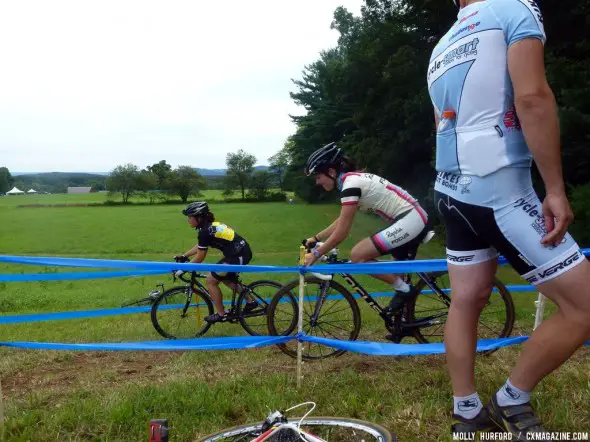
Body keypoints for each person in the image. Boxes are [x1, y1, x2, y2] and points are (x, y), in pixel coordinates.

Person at [428, 0, 590, 438]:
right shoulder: (517, 9)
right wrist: (554, 189)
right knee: (585, 304)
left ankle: (465, 410)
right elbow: (533, 97)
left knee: (467, 299)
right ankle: (509, 400)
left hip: (450, 189)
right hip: (499, 190)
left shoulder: (443, 42)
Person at [302, 142, 432, 327]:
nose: (317, 181)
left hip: (410, 219)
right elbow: (342, 220)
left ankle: (405, 290)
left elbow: (342, 233)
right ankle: (403, 325)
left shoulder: (351, 185)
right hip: (407, 219)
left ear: (331, 172)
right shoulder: (351, 181)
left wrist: (316, 254)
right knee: (397, 276)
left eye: (318, 176)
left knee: (358, 255)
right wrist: (316, 239)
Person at [175, 201, 257, 323]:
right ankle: (251, 302)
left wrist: (184, 268)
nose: (188, 220)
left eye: (190, 217)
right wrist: (184, 256)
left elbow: (200, 258)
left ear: (199, 217)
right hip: (239, 252)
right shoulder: (209, 226)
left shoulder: (204, 231)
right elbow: (200, 246)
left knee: (211, 280)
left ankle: (221, 314)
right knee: (225, 278)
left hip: (237, 255)